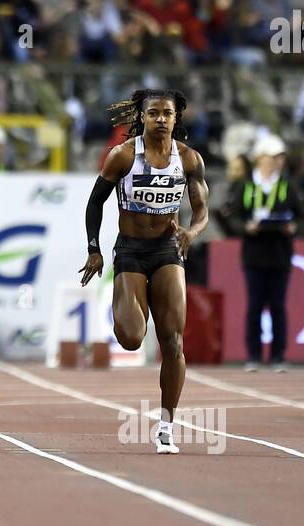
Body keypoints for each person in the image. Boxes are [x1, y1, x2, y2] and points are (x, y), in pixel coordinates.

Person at [79, 89, 210, 454]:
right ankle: (126, 304)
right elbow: (95, 203)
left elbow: (201, 209)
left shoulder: (188, 159)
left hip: (168, 250)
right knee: (133, 338)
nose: (161, 119)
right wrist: (95, 249)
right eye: (153, 113)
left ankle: (167, 425)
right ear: (142, 117)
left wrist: (192, 232)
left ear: (176, 118)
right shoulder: (122, 156)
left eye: (167, 113)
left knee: (173, 341)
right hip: (132, 250)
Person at [221, 136, 304, 372]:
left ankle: (278, 356)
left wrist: (294, 226)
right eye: (275, 156)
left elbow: (302, 214)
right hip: (254, 253)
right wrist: (244, 227)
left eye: (281, 157)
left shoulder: (288, 184)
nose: (279, 161)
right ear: (261, 157)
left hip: (279, 253)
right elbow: (233, 216)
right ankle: (254, 356)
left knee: (278, 305)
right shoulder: (246, 185)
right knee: (255, 305)